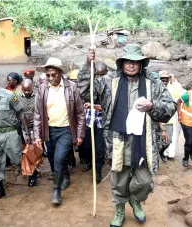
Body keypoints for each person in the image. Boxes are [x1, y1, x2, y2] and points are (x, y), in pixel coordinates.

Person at [78, 44, 176, 227]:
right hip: (118, 140)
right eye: (127, 62)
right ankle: (120, 208)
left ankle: (136, 200)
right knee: (119, 180)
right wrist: (87, 65)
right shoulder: (109, 81)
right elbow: (85, 92)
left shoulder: (152, 83)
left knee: (144, 182)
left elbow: (170, 106)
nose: (131, 65)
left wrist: (153, 105)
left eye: (135, 62)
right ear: (121, 63)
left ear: (141, 64)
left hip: (144, 142)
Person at [34, 57, 85, 206]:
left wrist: (80, 134)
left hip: (66, 130)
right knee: (52, 157)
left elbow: (80, 114)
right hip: (49, 130)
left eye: (54, 75)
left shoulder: (71, 87)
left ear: (60, 73)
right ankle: (65, 176)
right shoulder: (43, 88)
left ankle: (56, 190)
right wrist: (37, 135)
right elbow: (38, 114)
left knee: (59, 158)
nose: (51, 78)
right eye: (48, 75)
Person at [0, 69, 32, 202]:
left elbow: (21, 113)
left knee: (17, 159)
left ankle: (32, 171)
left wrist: (27, 132)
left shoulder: (9, 95)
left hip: (11, 133)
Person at [80, 62, 107, 184]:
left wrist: (93, 106)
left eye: (102, 74)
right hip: (89, 121)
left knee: (100, 149)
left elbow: (108, 106)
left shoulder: (108, 86)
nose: (99, 77)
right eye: (97, 74)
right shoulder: (89, 85)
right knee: (87, 147)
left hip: (102, 123)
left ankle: (98, 171)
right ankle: (90, 162)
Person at [17, 79, 40, 186]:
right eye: (24, 90)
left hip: (35, 127)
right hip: (23, 128)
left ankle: (34, 171)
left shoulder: (38, 95)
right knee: (26, 150)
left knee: (35, 150)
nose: (26, 92)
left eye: (29, 90)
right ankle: (30, 172)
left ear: (32, 88)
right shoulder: (16, 97)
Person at [160, 71, 185, 161]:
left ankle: (162, 152)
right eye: (162, 79)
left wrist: (175, 82)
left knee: (169, 139)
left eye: (166, 79)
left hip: (169, 118)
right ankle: (159, 154)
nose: (164, 81)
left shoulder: (173, 88)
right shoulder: (155, 88)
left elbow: (183, 93)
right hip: (157, 118)